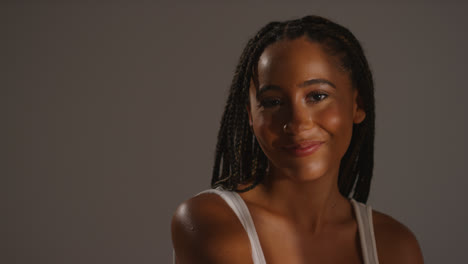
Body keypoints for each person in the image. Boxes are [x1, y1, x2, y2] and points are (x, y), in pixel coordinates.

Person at [171, 15, 424, 264]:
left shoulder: (395, 245)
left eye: (317, 96)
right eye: (273, 102)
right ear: (250, 115)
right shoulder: (210, 222)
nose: (297, 123)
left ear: (357, 104)